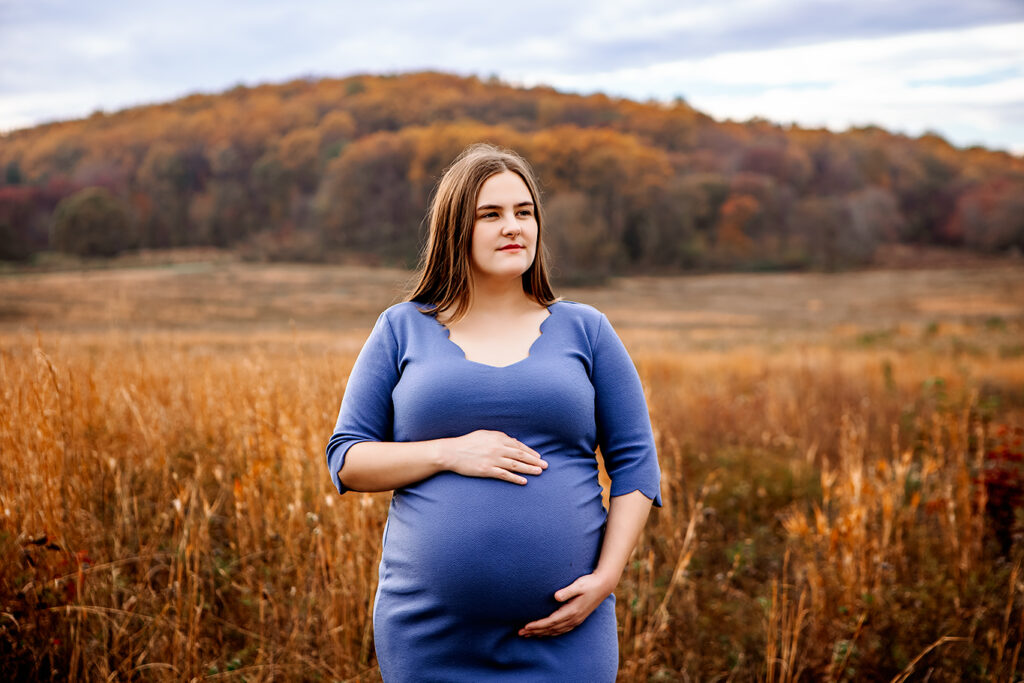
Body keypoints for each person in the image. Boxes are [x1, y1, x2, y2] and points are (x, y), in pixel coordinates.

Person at [325, 142, 661, 682]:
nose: (513, 226)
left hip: (568, 631)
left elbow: (637, 466)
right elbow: (346, 461)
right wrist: (450, 453)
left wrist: (605, 580)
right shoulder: (401, 328)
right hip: (431, 635)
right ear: (457, 227)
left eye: (524, 212)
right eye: (491, 214)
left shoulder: (587, 330)